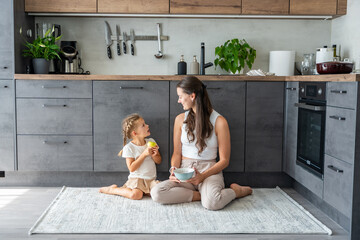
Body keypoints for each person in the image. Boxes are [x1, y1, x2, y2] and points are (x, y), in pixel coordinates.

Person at [151, 76, 252, 210]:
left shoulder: (220, 121)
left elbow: (224, 160)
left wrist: (202, 176)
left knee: (212, 204)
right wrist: (174, 170)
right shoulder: (180, 120)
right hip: (185, 170)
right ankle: (200, 196)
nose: (178, 100)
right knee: (157, 193)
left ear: (192, 96)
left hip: (209, 171)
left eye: (181, 96)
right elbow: (176, 153)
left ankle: (237, 191)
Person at [99, 113, 162, 200]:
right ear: (135, 133)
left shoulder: (151, 141)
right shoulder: (129, 148)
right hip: (137, 180)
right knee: (136, 195)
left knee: (159, 193)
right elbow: (131, 168)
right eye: (143, 125)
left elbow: (158, 161)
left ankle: (145, 190)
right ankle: (113, 189)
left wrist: (155, 155)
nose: (147, 126)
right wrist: (144, 154)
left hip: (150, 180)